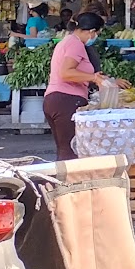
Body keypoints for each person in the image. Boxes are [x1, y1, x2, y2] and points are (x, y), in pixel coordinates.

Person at [44, 13, 109, 160]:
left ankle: (61, 181)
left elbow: (74, 73)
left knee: (64, 149)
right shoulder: (76, 44)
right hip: (67, 101)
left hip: (55, 100)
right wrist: (93, 77)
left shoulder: (67, 41)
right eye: (97, 33)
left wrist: (98, 78)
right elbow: (66, 73)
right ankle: (67, 183)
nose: (95, 37)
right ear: (92, 31)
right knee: (71, 151)